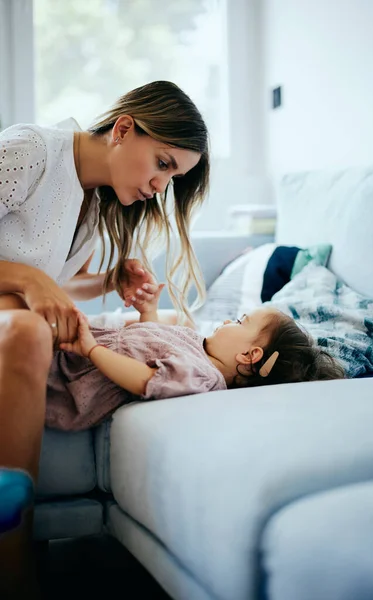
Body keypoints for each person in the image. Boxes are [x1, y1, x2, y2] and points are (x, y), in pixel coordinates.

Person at [0, 80, 209, 598]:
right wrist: (30, 282)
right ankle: (15, 562)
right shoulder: (30, 152)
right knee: (28, 326)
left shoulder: (95, 208)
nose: (163, 185)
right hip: (14, 315)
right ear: (122, 129)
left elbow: (47, 274)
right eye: (163, 162)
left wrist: (108, 281)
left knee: (34, 331)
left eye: (174, 176)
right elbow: (31, 276)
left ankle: (14, 539)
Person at [44, 277, 345, 432]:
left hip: (73, 377)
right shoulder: (197, 346)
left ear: (249, 355)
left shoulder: (204, 377)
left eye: (240, 321)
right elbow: (153, 345)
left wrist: (92, 350)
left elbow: (146, 379)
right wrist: (148, 311)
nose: (228, 321)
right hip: (73, 354)